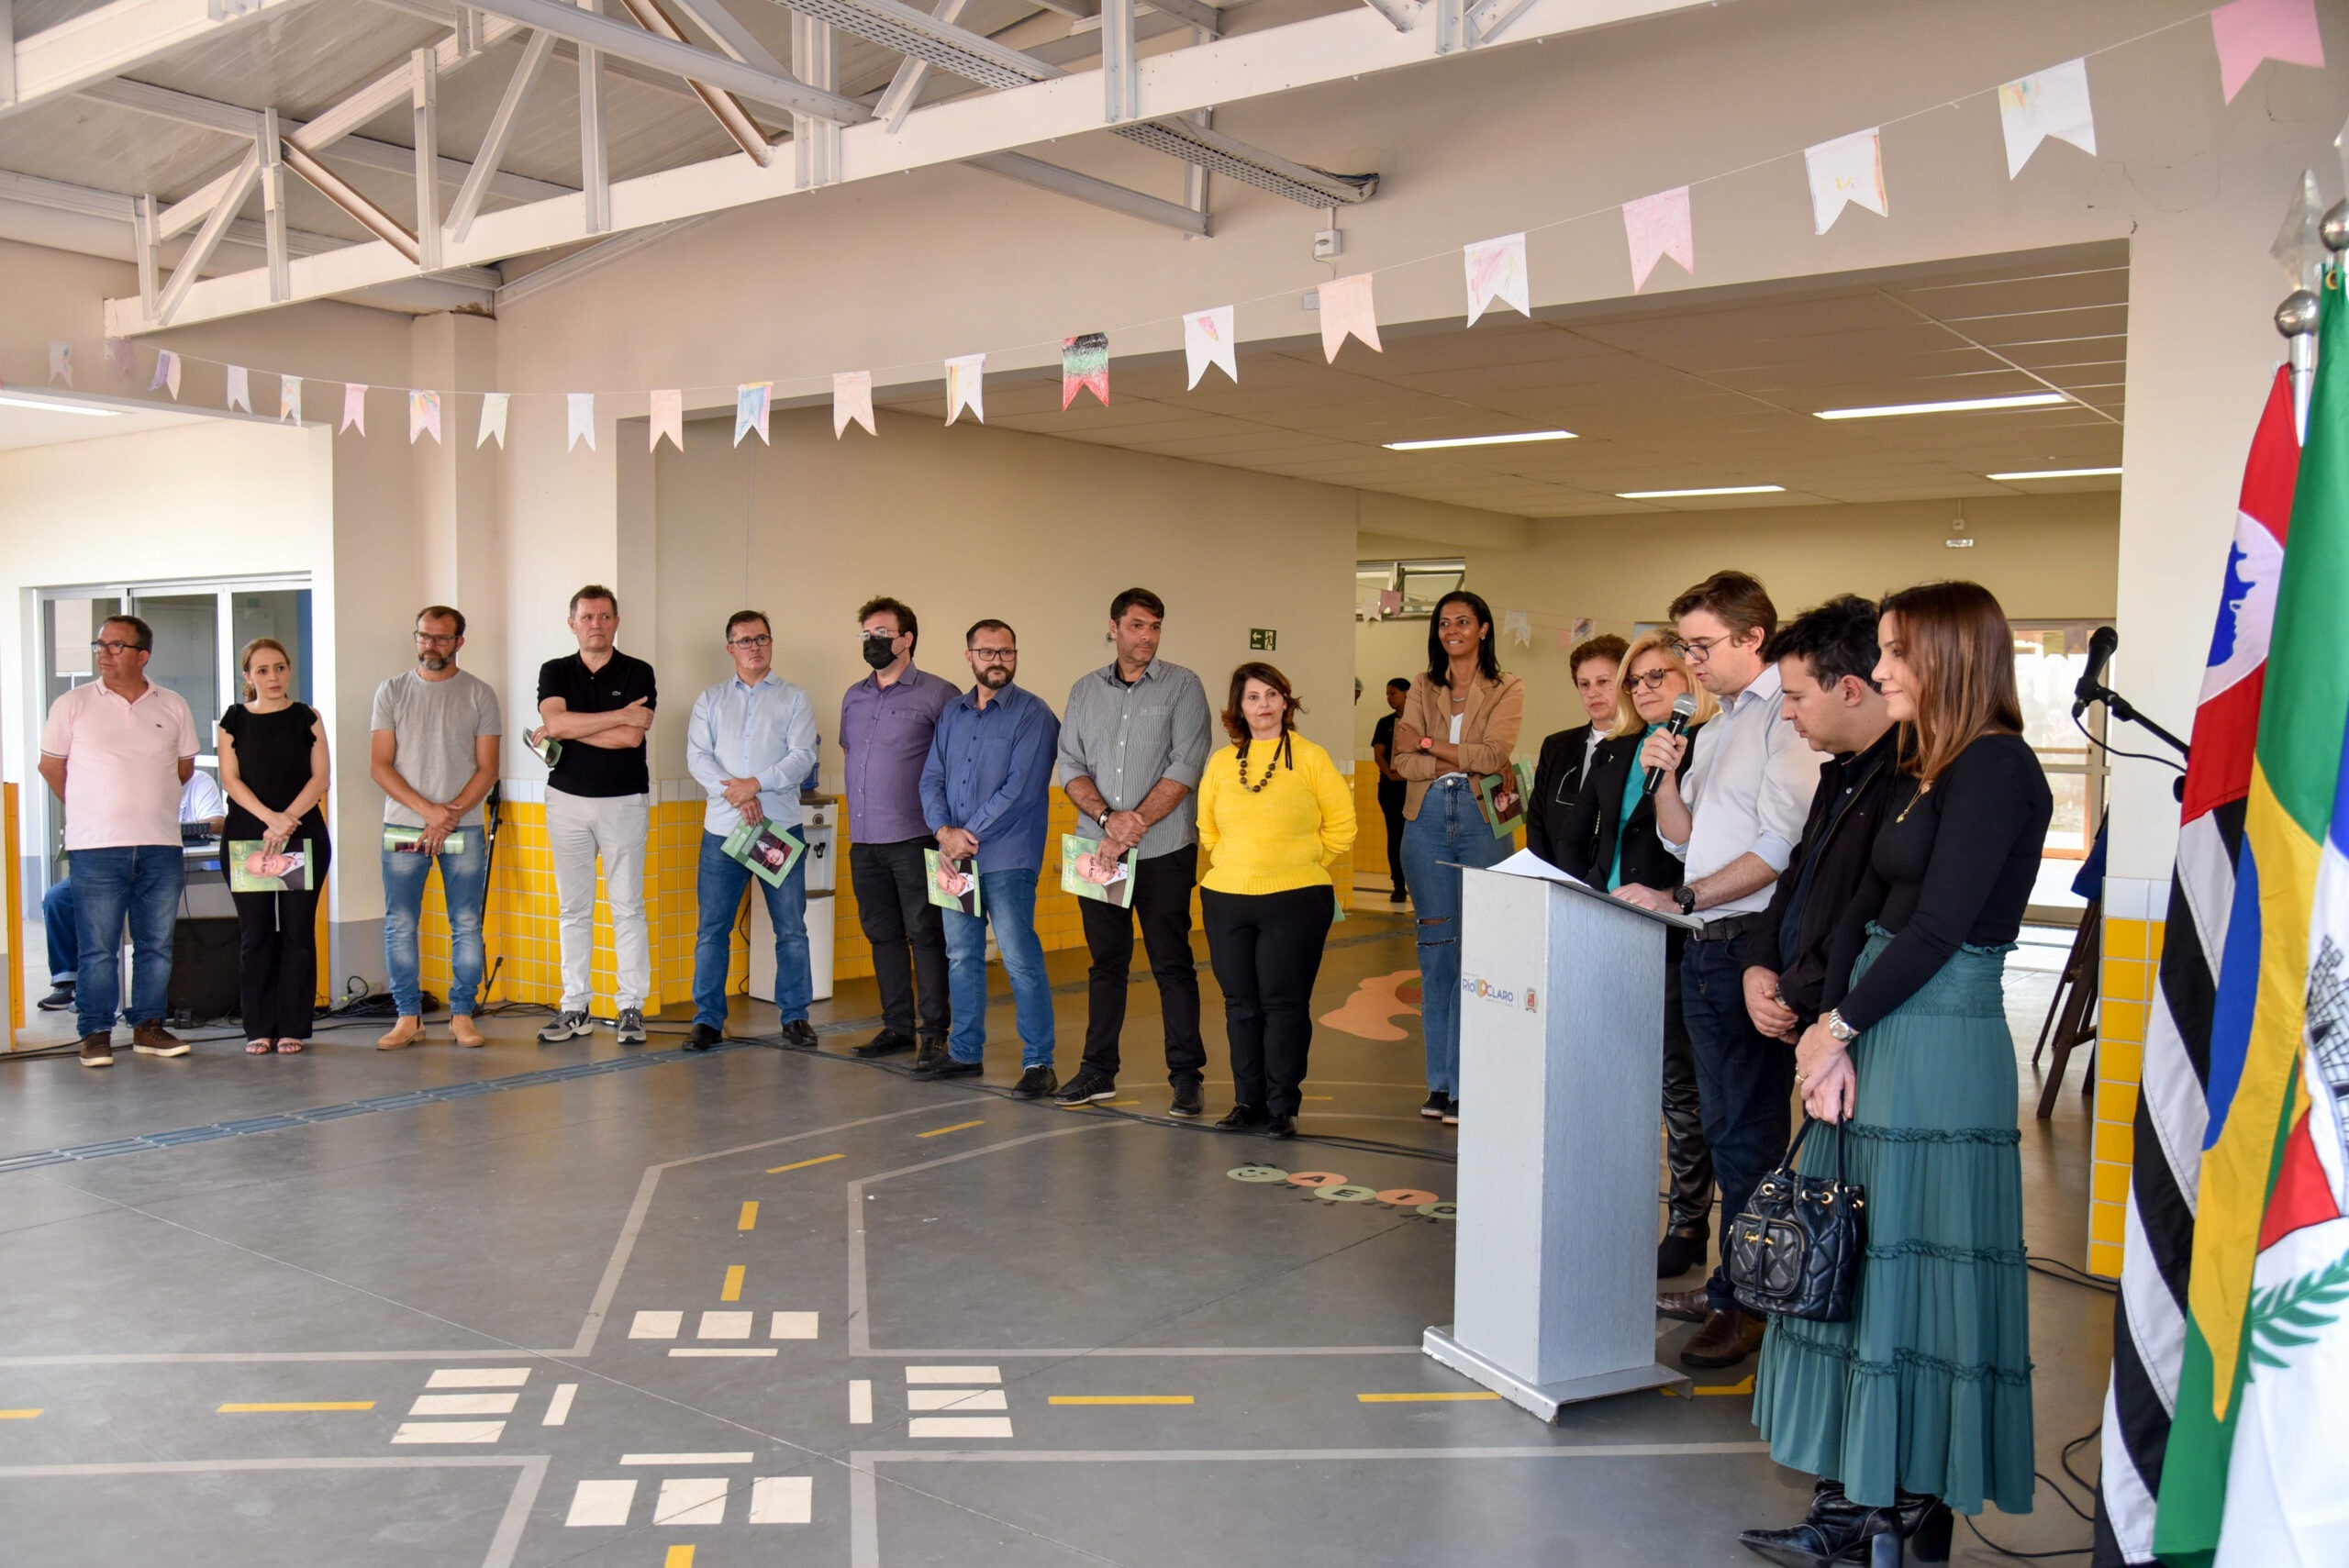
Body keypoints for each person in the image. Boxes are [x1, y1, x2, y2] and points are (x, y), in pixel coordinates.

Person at [1742, 581, 2050, 1565]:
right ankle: (1850, 1497)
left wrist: (1835, 1026)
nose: (1877, 671)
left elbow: (1936, 927)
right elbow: (1863, 910)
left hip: (1934, 1041)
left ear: (1949, 658)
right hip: (1872, 1026)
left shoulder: (1995, 769)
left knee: (1911, 1271)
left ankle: (1902, 1506)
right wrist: (1822, 1036)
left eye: (1893, 652)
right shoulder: (1923, 765)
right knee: (1857, 1270)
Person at [1643, 571, 1825, 1371]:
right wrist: (1664, 780)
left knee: (1748, 1133)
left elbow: (1777, 849)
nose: (1693, 661)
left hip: (1749, 943)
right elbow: (1686, 840)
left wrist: (1683, 893)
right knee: (1719, 1128)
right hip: (1703, 944)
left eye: (1703, 645)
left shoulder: (1785, 724)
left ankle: (1749, 1306)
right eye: (1686, 645)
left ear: (1754, 638)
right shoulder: (1713, 730)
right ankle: (1728, 1280)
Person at [1549, 631, 1718, 1277]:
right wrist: (1584, 896)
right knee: (1616, 1076)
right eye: (1636, 680)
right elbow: (1576, 835)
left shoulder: (1702, 745)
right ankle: (1612, 1205)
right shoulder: (1618, 751)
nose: (1645, 689)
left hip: (1676, 930)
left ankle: (1688, 1221)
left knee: (1679, 1087)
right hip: (1610, 927)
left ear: (1689, 681)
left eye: (1659, 676)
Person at [1053, 587, 1216, 1116]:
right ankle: (1098, 1071)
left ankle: (1186, 1076)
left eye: (1155, 627)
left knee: (1173, 964)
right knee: (1106, 964)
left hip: (1164, 849)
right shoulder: (1083, 691)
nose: (1147, 636)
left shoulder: (1184, 686)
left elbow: (1186, 766)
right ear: (1114, 627)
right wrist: (1107, 821)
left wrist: (1132, 824)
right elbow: (1070, 767)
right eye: (1138, 625)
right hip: (1097, 851)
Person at [1197, 663, 1356, 1139]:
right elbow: (1207, 828)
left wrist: (1302, 863)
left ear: (1286, 702)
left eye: (1271, 695)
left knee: (1284, 1004)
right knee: (1240, 1004)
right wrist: (1239, 863)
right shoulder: (1222, 763)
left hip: (1296, 898)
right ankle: (1248, 1103)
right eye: (1252, 697)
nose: (1263, 705)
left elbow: (1342, 826)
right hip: (1227, 897)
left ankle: (1282, 1106)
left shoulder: (1311, 758)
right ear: (1238, 708)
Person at [37, 615, 200, 1068]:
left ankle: (148, 1026)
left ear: (143, 656)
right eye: (100, 644)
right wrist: (92, 807)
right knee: (97, 947)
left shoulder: (172, 705)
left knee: (156, 945)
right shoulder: (72, 705)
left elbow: (183, 769)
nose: (103, 653)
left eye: (116, 646)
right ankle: (95, 1032)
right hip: (96, 848)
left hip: (159, 845)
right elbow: (52, 768)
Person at [1740, 596, 1900, 1051]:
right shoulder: (1838, 772)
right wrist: (1758, 966)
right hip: (1807, 1003)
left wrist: (1796, 991)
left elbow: (1871, 913)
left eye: (1795, 697)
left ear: (1850, 690)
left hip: (1855, 1020)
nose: (1787, 712)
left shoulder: (1906, 781)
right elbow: (1794, 881)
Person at [1391, 589, 1524, 1127]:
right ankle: (1441, 1084)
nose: (1452, 630)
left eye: (1463, 621)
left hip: (1482, 822)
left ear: (1484, 629)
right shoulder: (1422, 686)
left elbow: (1496, 756)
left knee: (1482, 956)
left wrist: (1432, 745)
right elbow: (1401, 761)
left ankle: (1473, 1081)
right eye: (1444, 623)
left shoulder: (1507, 687)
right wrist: (1441, 755)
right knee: (1437, 953)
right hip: (1424, 823)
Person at [918, 619, 1062, 1095]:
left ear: (1016, 656)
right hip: (953, 856)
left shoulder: (1033, 714)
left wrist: (965, 835)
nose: (997, 659)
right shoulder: (952, 714)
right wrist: (943, 831)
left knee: (1020, 959)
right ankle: (964, 1053)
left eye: (1006, 652)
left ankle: (1039, 1063)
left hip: (1007, 857)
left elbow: (1019, 791)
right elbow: (930, 778)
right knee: (961, 957)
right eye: (987, 652)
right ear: (970, 657)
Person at [685, 611, 821, 1051]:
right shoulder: (710, 700)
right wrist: (739, 794)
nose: (754, 647)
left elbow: (802, 757)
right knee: (712, 930)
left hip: (778, 829)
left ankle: (796, 1016)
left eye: (761, 638)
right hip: (724, 831)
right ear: (730, 648)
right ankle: (707, 1019)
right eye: (744, 641)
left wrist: (756, 785)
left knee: (792, 929)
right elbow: (698, 758)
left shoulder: (795, 698)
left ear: (771, 643)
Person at [369, 605, 501, 1051]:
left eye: (442, 638)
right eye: (424, 636)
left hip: (461, 830)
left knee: (466, 923)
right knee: (400, 924)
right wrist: (430, 813)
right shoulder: (391, 692)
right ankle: (409, 1017)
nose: (432, 646)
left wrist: (449, 815)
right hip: (404, 828)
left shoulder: (480, 694)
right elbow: (380, 766)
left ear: (459, 642)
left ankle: (462, 1015)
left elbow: (487, 769)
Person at [532, 585, 658, 1046]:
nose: (596, 625)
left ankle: (630, 1007)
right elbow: (558, 725)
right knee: (573, 909)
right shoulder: (555, 671)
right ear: (573, 624)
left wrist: (574, 727)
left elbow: (630, 739)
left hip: (624, 800)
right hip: (566, 801)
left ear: (616, 622)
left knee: (628, 906)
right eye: (587, 617)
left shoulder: (638, 670)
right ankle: (575, 1007)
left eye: (604, 616)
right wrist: (617, 715)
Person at [841, 595, 960, 1068]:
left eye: (882, 633)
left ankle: (933, 1031)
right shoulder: (854, 694)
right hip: (865, 840)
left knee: (925, 934)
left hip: (916, 837)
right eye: (867, 634)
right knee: (882, 934)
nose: (873, 642)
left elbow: (955, 762)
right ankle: (897, 1026)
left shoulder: (938, 694)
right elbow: (853, 752)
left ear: (907, 639)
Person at [217, 638, 331, 1055]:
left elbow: (320, 779)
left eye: (280, 668)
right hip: (250, 839)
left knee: (299, 932)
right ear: (248, 677)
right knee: (256, 934)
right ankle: (259, 1027)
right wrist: (270, 819)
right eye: (262, 670)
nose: (273, 677)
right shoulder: (233, 720)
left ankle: (293, 1027)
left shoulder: (307, 718)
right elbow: (231, 780)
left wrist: (286, 821)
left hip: (302, 834)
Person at [38, 770, 226, 1015]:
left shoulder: (196, 780)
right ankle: (68, 981)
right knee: (57, 898)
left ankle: (148, 1015)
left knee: (152, 941)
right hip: (114, 864)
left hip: (171, 867)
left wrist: (172, 827)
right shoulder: (128, 778)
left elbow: (217, 822)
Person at [1526, 633, 1627, 868]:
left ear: (1625, 682)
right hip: (1559, 874)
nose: (1593, 692)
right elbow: (1537, 820)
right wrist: (1545, 874)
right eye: (1584, 684)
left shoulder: (1642, 745)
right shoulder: (1557, 746)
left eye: (1603, 682)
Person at [1370, 677, 1412, 903]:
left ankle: (1417, 883)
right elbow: (1378, 753)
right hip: (1390, 788)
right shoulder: (1384, 722)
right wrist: (1391, 774)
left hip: (1413, 787)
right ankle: (1398, 884)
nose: (1389, 697)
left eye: (1393, 693)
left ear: (1407, 693)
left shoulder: (1421, 722)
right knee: (1395, 836)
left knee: (1414, 838)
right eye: (1387, 693)